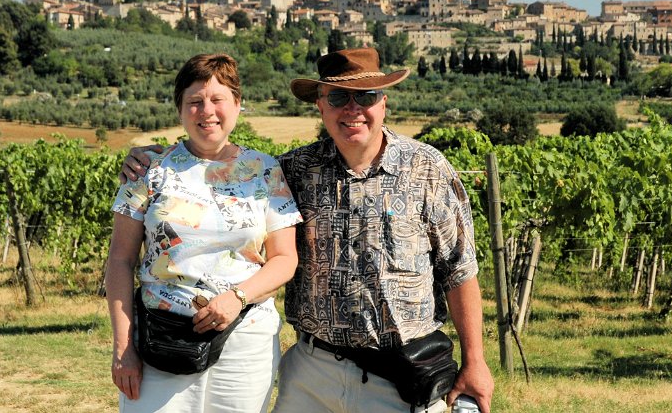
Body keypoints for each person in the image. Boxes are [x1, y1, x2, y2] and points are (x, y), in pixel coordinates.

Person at [122, 48, 494, 413]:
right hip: (312, 373)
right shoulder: (294, 169)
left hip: (399, 376)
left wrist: (475, 362)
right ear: (320, 105)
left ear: (383, 102)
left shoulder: (427, 169)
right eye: (338, 97)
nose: (352, 109)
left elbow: (459, 269)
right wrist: (152, 158)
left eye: (365, 96)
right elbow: (216, 169)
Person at [106, 53, 301, 413]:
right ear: (180, 110)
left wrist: (237, 297)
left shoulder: (265, 169)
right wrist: (123, 347)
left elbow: (285, 259)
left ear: (238, 105)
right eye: (194, 101)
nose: (206, 111)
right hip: (160, 339)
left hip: (246, 341)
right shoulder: (148, 170)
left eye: (217, 99)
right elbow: (119, 260)